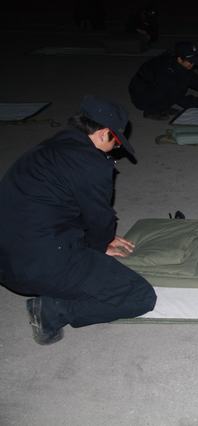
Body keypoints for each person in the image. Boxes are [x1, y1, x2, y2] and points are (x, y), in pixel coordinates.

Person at [0, 96, 157, 345]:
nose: (115, 149)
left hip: (6, 259)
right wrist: (100, 246)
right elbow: (100, 218)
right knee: (140, 296)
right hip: (36, 265)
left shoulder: (48, 149)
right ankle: (53, 311)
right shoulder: (92, 163)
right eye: (116, 142)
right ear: (104, 134)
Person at [128, 41, 198, 121]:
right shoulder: (166, 72)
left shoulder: (176, 62)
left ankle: (163, 105)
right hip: (142, 97)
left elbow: (194, 80)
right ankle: (152, 110)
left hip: (153, 86)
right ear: (179, 59)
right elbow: (180, 99)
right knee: (176, 88)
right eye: (190, 62)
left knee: (183, 79)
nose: (192, 65)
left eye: (193, 61)